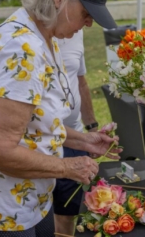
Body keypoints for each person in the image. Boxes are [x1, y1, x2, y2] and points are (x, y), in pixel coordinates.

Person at [0, 0, 121, 236]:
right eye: (85, 12)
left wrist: (83, 141)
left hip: (32, 197)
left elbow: (36, 124)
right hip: (3, 206)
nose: (89, 22)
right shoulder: (23, 48)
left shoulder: (43, 37)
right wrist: (66, 167)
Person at [52, 30, 98, 235]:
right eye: (85, 14)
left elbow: (80, 81)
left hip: (74, 138)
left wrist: (92, 128)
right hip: (39, 143)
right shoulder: (28, 37)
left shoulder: (77, 31)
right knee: (43, 212)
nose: (88, 23)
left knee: (68, 211)